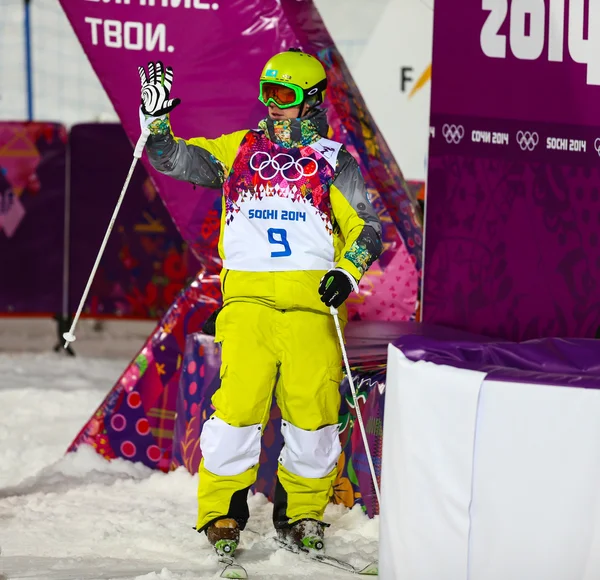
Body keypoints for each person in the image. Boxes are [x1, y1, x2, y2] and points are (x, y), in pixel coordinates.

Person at [138, 49, 382, 557]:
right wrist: (157, 123)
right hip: (248, 302)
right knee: (237, 409)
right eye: (267, 94)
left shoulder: (335, 161)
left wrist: (346, 270)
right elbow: (173, 160)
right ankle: (222, 513)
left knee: (313, 411)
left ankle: (302, 515)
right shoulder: (238, 149)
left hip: (311, 306)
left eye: (284, 96)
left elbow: (367, 229)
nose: (272, 106)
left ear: (311, 100)